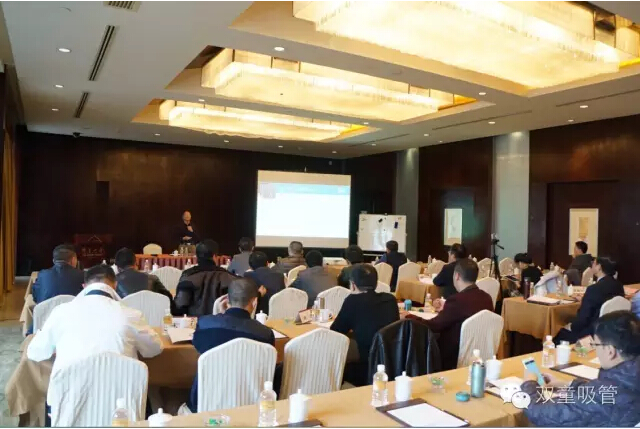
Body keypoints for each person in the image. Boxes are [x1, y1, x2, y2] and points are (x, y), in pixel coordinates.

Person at [27, 264, 163, 378]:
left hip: (71, 395)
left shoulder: (61, 312)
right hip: (121, 396)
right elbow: (155, 348)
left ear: (84, 286)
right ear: (115, 285)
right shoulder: (131, 314)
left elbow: (35, 352)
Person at [521, 311, 640, 426]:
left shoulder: (601, 396)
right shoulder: (628, 377)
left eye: (596, 345)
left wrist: (529, 383)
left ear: (610, 351)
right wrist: (569, 385)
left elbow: (540, 413)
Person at [189, 278, 275, 412]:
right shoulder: (265, 333)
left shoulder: (205, 324)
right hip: (250, 404)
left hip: (206, 401)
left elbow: (198, 345)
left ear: (226, 300)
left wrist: (220, 315)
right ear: (254, 302)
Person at [403, 259, 493, 370]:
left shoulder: (457, 300)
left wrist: (409, 316)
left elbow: (434, 326)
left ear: (457, 276)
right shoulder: (487, 298)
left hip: (454, 356)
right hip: (481, 354)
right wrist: (446, 308)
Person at [331, 264, 399, 386]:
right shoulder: (390, 299)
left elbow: (336, 331)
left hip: (367, 363)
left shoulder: (352, 301)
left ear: (352, 285)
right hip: (392, 360)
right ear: (376, 284)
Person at [554, 256, 625, 344]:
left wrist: (570, 326)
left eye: (593, 263)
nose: (591, 265)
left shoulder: (594, 289)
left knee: (559, 333)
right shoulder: (619, 286)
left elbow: (582, 320)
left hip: (591, 334)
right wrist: (586, 298)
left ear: (599, 267)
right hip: (613, 331)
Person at [174, 239, 237, 316]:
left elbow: (179, 305)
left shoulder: (188, 276)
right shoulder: (228, 277)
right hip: (221, 321)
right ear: (214, 256)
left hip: (194, 321)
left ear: (196, 256)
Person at [114, 247, 176, 314]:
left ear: (117, 268)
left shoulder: (113, 282)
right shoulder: (152, 278)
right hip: (151, 318)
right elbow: (168, 299)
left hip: (125, 318)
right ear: (136, 263)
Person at [245, 251, 285, 315]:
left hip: (257, 315)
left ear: (250, 267)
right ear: (267, 263)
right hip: (278, 313)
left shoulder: (248, 276)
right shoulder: (280, 276)